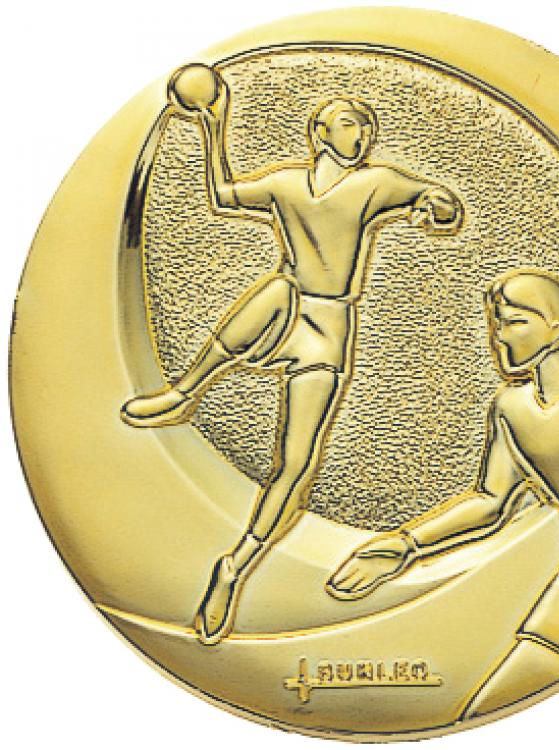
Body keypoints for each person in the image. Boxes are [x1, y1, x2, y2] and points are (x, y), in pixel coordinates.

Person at [120, 69, 464, 646]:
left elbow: (437, 198)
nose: (363, 134)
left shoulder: (375, 183)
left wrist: (437, 206)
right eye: (351, 123)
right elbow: (224, 196)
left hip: (329, 327)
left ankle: (236, 567)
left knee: (296, 465)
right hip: (286, 303)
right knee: (278, 288)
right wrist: (214, 124)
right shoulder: (284, 184)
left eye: (367, 126)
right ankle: (184, 394)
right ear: (321, 132)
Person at [327, 268, 559, 717]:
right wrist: (405, 545)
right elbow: (490, 503)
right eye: (497, 324)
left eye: (516, 322)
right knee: (486, 707)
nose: (500, 336)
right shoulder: (510, 407)